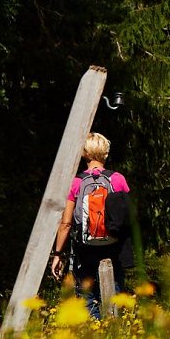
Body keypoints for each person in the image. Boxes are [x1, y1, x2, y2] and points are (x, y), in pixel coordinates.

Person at [50, 132, 132, 319]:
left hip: (85, 247)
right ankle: (114, 331)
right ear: (105, 153)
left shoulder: (76, 182)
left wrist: (57, 254)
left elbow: (66, 223)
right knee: (115, 291)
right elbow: (128, 215)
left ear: (84, 154)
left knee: (87, 295)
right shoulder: (118, 179)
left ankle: (93, 334)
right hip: (113, 246)